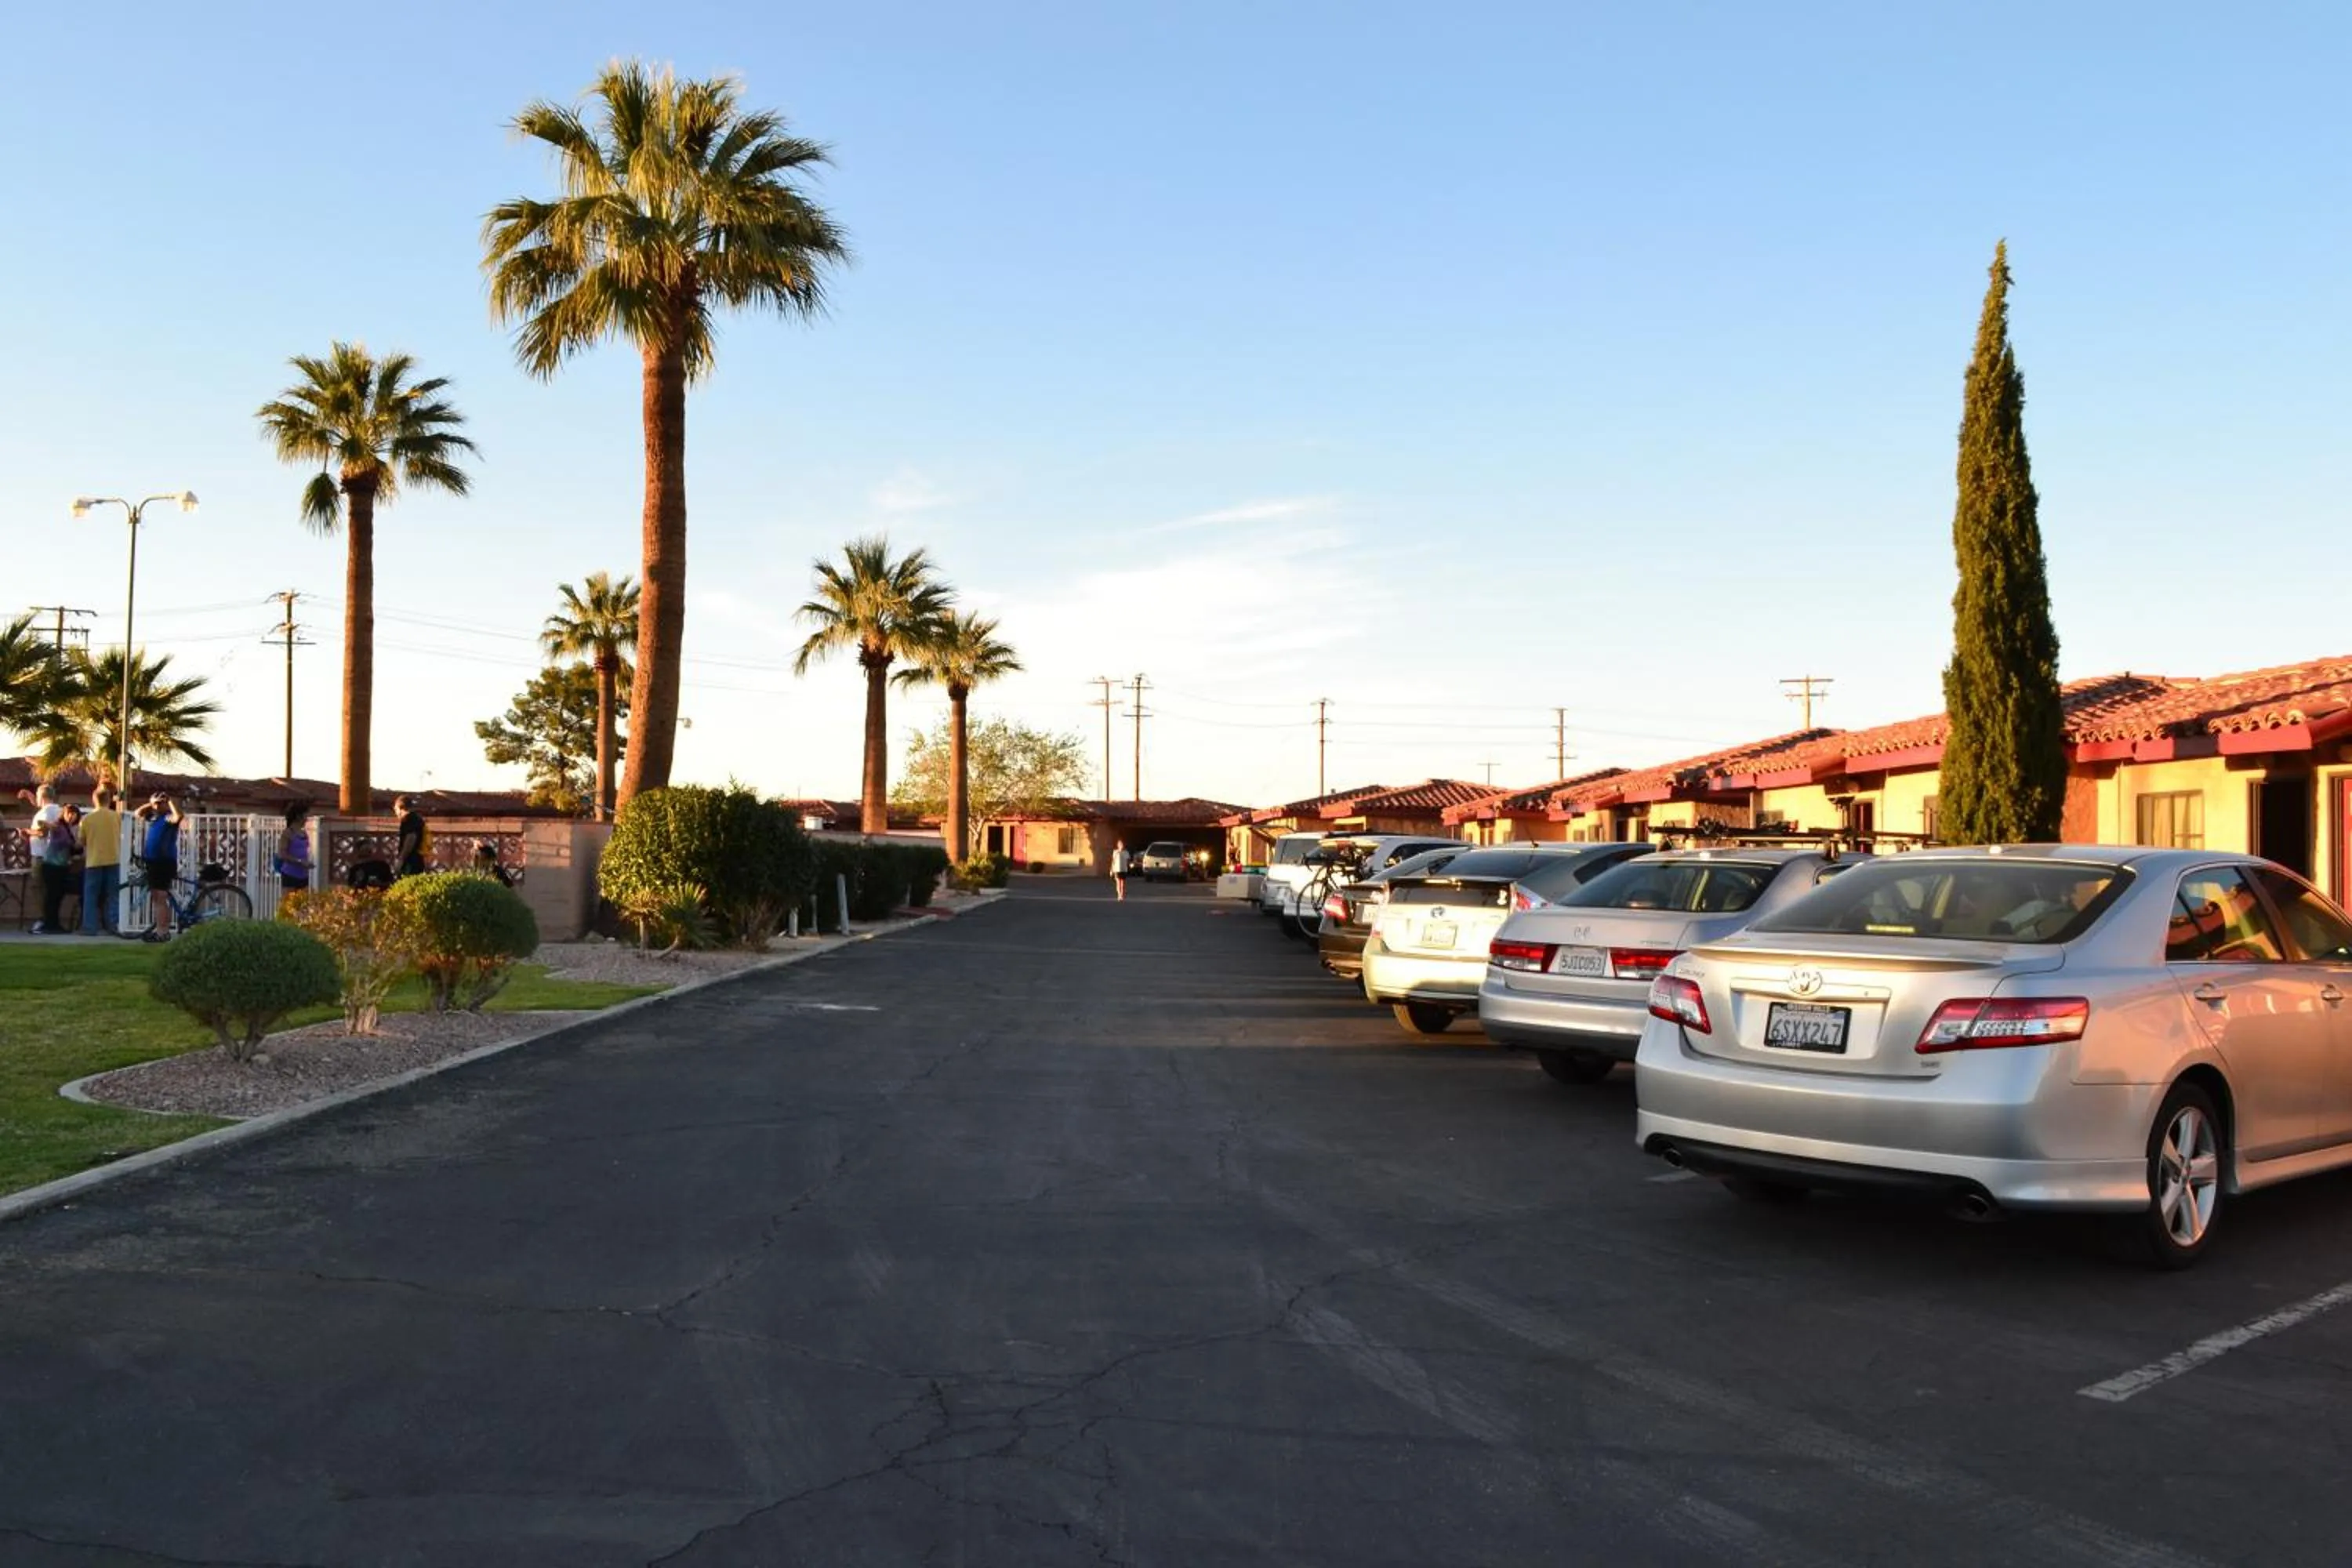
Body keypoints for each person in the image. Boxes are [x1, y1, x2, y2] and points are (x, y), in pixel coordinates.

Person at [136, 793, 184, 942]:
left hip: (164, 862)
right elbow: (138, 813)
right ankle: (161, 931)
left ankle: (163, 932)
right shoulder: (154, 817)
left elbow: (179, 816)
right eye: (155, 804)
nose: (157, 807)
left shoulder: (169, 818)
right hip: (153, 862)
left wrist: (169, 802)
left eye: (159, 804)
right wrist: (151, 803)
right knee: (157, 898)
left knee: (161, 897)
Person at [78, 786, 122, 937]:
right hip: (114, 859)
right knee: (113, 895)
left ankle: (90, 928)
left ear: (94, 800)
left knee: (91, 896)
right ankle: (113, 925)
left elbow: (81, 841)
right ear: (109, 800)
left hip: (94, 861)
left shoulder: (87, 819)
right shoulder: (116, 816)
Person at [34, 801, 80, 935]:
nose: (72, 816)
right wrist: (48, 825)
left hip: (61, 867)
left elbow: (73, 849)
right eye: (69, 813)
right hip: (51, 867)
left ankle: (54, 924)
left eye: (75, 814)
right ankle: (49, 925)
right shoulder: (59, 826)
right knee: (52, 897)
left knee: (57, 897)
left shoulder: (69, 830)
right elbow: (45, 824)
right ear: (64, 814)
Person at [274, 804, 313, 900]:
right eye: (305, 816)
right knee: (289, 905)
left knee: (303, 905)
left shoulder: (304, 833)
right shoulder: (288, 833)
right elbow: (282, 854)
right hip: (290, 874)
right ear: (298, 816)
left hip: (303, 875)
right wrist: (300, 861)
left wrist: (307, 863)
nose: (307, 819)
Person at [394, 795, 428, 878]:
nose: (395, 813)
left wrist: (401, 859)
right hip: (417, 859)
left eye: (395, 809)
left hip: (411, 861)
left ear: (401, 808)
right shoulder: (417, 819)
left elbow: (411, 838)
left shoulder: (409, 819)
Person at [1109, 838, 1130, 902]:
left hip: (1124, 869)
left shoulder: (1126, 852)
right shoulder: (1115, 852)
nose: (1121, 845)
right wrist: (1111, 870)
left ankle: (1122, 895)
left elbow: (1128, 861)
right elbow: (1113, 861)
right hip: (1117, 869)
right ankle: (1119, 896)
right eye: (1120, 844)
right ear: (1118, 845)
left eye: (1122, 844)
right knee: (1118, 883)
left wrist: (1130, 865)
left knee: (1123, 884)